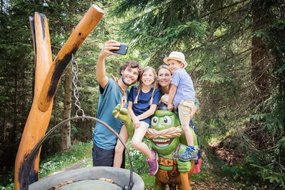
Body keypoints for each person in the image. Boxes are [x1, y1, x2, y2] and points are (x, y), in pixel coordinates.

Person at [93, 40, 141, 167]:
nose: (131, 75)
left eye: (135, 73)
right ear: (122, 71)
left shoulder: (130, 95)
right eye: (129, 70)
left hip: (119, 145)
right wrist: (102, 57)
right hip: (103, 143)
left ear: (137, 79)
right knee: (103, 182)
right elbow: (100, 76)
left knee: (117, 181)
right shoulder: (110, 85)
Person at [114, 66, 161, 176]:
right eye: (145, 75)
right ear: (141, 77)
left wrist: (137, 120)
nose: (147, 77)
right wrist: (134, 119)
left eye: (150, 75)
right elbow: (129, 107)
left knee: (135, 142)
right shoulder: (134, 90)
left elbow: (151, 110)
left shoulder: (156, 92)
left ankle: (151, 156)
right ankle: (114, 173)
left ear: (154, 78)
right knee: (118, 148)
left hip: (144, 120)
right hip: (131, 118)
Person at [162, 51, 198, 161]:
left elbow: (173, 89)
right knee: (183, 125)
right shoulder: (183, 73)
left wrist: (169, 104)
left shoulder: (178, 73)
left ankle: (191, 150)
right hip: (185, 102)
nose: (171, 66)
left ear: (181, 65)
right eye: (169, 64)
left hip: (184, 102)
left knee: (185, 126)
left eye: (173, 63)